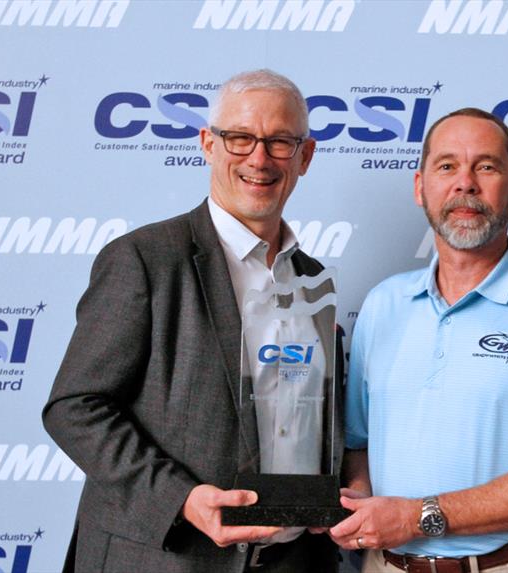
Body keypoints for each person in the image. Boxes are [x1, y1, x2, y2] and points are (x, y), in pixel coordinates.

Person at [43, 69, 342, 573]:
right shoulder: (144, 259)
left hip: (294, 560)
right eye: (240, 138)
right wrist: (181, 498)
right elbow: (74, 407)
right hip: (165, 558)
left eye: (280, 143)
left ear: (305, 157)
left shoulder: (312, 278)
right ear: (208, 144)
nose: (259, 159)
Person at [331, 108, 508, 573]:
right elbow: (358, 444)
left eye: (486, 166)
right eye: (447, 166)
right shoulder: (383, 303)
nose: (465, 183)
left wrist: (415, 517)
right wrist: (361, 504)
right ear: (420, 186)